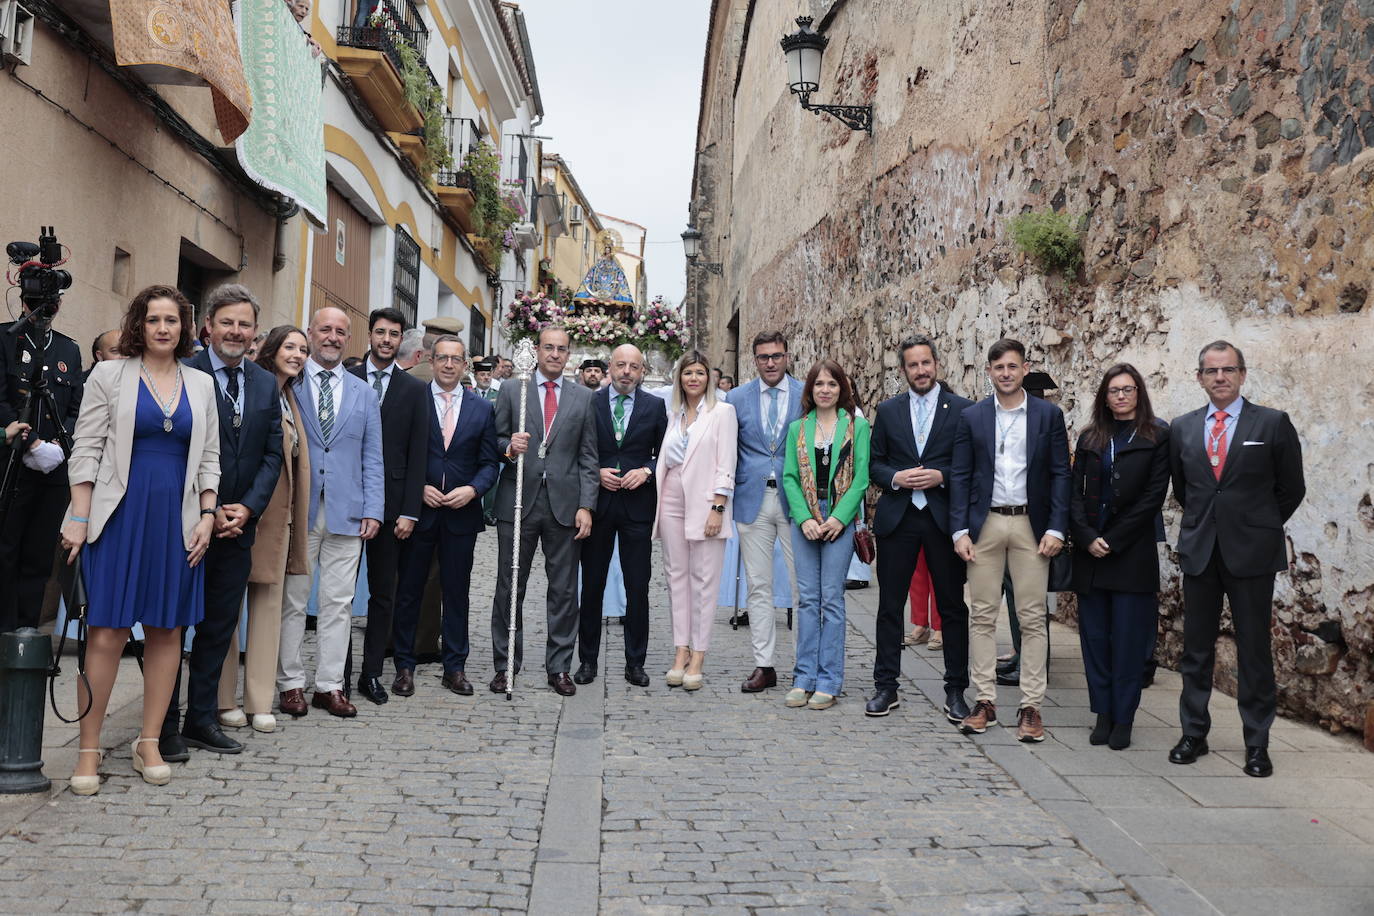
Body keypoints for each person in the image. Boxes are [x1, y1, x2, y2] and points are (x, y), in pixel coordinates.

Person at [60, 285, 219, 794]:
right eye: (154, 319)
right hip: (119, 517)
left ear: (184, 328)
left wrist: (208, 514)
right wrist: (80, 517)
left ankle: (149, 739)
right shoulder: (109, 374)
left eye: (172, 320)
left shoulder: (200, 384)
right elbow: (85, 448)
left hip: (178, 519)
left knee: (167, 630)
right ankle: (88, 747)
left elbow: (210, 458)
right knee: (107, 632)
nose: (163, 328)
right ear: (139, 325)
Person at [1167, 340, 1305, 778]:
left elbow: (1291, 488)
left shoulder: (1272, 423)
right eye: (1212, 371)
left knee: (1254, 650)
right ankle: (1194, 733)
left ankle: (1257, 743)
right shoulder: (1184, 428)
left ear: (1242, 375)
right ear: (1200, 377)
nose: (1220, 377)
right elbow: (1186, 490)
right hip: (1201, 551)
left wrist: (1256, 524)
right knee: (1196, 650)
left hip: (1252, 554)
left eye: (1228, 370)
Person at [159, 284, 283, 761]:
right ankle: (163, 723)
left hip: (237, 525)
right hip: (186, 525)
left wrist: (246, 508)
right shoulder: (181, 373)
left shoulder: (265, 383)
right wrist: (205, 512)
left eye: (245, 324)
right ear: (208, 326)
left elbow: (272, 455)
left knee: (217, 628)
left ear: (255, 332)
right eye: (227, 322)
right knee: (170, 624)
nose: (236, 331)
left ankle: (200, 719)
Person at [950, 338, 1069, 742]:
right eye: (998, 367)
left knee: (1033, 618)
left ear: (1024, 369)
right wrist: (959, 530)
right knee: (982, 616)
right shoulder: (973, 417)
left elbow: (1060, 475)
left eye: (1013, 367)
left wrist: (1056, 528)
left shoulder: (1047, 416)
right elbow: (961, 475)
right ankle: (984, 701)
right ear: (989, 371)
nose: (1005, 373)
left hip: (1029, 526)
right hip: (985, 525)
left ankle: (1031, 706)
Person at [277, 307, 384, 719]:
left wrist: (373, 508)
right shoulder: (290, 384)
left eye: (341, 332)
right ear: (310, 332)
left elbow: (372, 456)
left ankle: (330, 685)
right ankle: (290, 684)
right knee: (294, 601)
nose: (333, 337)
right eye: (325, 329)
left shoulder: (364, 394)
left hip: (348, 512)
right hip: (299, 510)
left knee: (338, 602)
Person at [866, 335, 974, 720]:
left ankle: (956, 690)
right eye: (913, 365)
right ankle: (886, 687)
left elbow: (970, 466)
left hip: (944, 520)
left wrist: (940, 476)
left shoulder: (962, 410)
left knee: (952, 607)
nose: (921, 370)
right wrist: (897, 477)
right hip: (899, 519)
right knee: (890, 606)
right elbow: (874, 464)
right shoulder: (889, 410)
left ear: (936, 364)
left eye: (926, 363)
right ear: (903, 371)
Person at [489, 324, 598, 697]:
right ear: (537, 350)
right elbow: (495, 440)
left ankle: (559, 667)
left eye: (562, 349)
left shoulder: (582, 398)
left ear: (569, 355)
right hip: (518, 501)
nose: (554, 354)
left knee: (565, 591)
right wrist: (509, 447)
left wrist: (586, 505)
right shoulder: (511, 390)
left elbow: (588, 457)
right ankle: (505, 666)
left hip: (564, 506)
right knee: (509, 586)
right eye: (548, 347)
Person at [1069, 363, 1170, 751]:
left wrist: (1112, 539)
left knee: (1128, 642)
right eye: (1114, 390)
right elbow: (1074, 493)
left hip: (1130, 555)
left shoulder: (1158, 435)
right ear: (1105, 397)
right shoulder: (1091, 437)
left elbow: (1153, 497)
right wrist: (1087, 537)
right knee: (1095, 640)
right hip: (1091, 556)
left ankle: (1124, 716)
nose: (1122, 396)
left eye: (1128, 389)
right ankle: (1103, 712)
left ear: (1139, 393)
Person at [391, 336, 499, 697]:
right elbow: (400, 454)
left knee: (456, 593)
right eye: (443, 358)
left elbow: (489, 463)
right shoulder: (413, 399)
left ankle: (455, 666)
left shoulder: (481, 409)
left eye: (456, 359)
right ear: (431, 361)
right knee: (409, 590)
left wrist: (473, 490)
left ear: (465, 364)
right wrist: (417, 487)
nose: (449, 365)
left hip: (460, 515)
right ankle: (404, 665)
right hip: (418, 511)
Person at [218, 326, 313, 734]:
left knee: (268, 609)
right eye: (290, 347)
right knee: (226, 610)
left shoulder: (290, 397)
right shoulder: (253, 389)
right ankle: (223, 700)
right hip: (243, 512)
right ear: (271, 349)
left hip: (279, 519)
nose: (297, 355)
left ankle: (259, 700)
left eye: (303, 350)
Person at [347, 308, 427, 705]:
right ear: (370, 335)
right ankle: (336, 675)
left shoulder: (414, 390)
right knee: (340, 594)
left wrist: (410, 510)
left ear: (401, 341)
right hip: (346, 499)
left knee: (383, 594)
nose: (386, 340)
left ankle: (371, 673)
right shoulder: (346, 377)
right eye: (380, 332)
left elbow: (418, 455)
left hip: (394, 508)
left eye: (393, 334)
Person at [575, 343, 667, 687]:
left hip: (637, 505)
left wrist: (646, 470)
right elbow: (577, 448)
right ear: (609, 369)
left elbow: (665, 453)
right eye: (621, 365)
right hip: (598, 504)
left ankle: (635, 663)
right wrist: (595, 471)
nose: (627, 372)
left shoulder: (655, 407)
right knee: (593, 585)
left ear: (642, 372)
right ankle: (587, 661)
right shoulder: (590, 402)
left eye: (634, 366)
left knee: (637, 586)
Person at [780, 360, 870, 710]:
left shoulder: (856, 427)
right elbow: (789, 476)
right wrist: (803, 518)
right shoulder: (798, 429)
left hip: (839, 519)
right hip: (804, 517)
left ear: (841, 389)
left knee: (832, 598)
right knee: (807, 599)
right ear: (810, 390)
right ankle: (803, 677)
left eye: (832, 384)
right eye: (819, 384)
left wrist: (838, 518)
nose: (825, 390)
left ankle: (829, 680)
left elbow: (861, 477)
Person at [724, 331, 801, 692]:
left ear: (787, 356)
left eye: (776, 356)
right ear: (754, 360)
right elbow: (726, 448)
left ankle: (805, 664)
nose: (770, 363)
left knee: (802, 584)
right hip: (751, 498)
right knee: (758, 585)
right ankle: (764, 665)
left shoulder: (805, 394)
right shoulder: (736, 398)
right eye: (763, 357)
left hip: (795, 500)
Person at [0, 297, 83, 635]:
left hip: (54, 468)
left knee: (38, 554)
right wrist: (31, 442)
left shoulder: (67, 349)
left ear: (60, 304)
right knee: (5, 550)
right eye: (35, 300)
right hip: (12, 462)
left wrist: (60, 448)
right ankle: (4, 636)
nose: (43, 307)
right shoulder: (5, 338)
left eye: (50, 301)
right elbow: (1, 398)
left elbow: (78, 408)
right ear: (21, 300)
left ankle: (27, 637)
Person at [655, 350, 737, 690]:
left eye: (700, 373)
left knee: (704, 581)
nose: (693, 379)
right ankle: (680, 651)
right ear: (680, 378)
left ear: (710, 378)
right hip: (672, 497)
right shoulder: (674, 414)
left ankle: (699, 653)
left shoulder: (723, 412)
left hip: (706, 503)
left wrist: (718, 507)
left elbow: (726, 462)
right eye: (688, 373)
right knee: (676, 577)